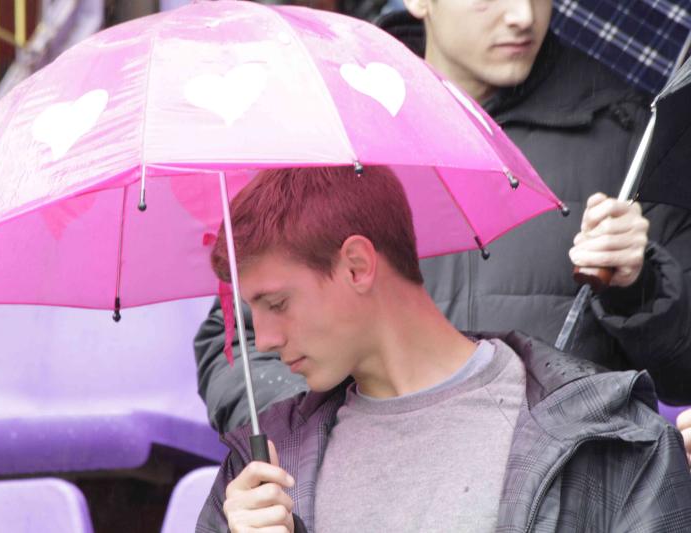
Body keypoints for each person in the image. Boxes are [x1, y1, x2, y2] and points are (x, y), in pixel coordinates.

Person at [194, 0, 691, 436]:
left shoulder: (630, 135)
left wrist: (637, 285)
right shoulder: (335, 126)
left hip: (565, 491)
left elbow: (682, 369)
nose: (522, 15)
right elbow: (238, 343)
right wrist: (321, 441)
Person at [196, 165, 691, 532]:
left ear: (356, 265)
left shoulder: (607, 435)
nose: (262, 339)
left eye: (277, 303)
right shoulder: (261, 473)